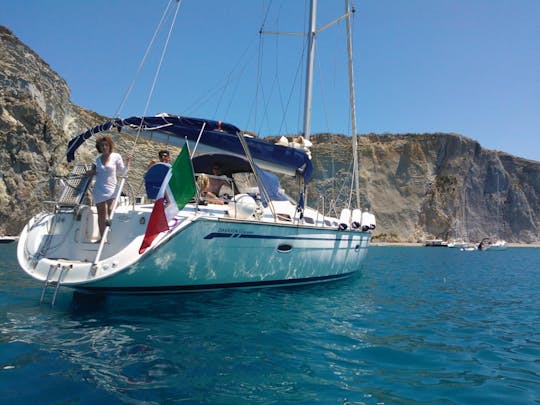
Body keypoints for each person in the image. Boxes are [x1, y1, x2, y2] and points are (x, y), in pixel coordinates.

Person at [88, 135, 131, 241]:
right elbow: (96, 172)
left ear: (109, 145)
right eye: (102, 145)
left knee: (111, 210)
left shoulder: (116, 156)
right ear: (99, 147)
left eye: (106, 145)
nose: (104, 147)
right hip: (99, 189)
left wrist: (128, 161)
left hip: (112, 189)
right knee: (101, 214)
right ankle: (102, 238)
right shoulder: (97, 160)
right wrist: (90, 172)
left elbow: (123, 171)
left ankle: (113, 237)